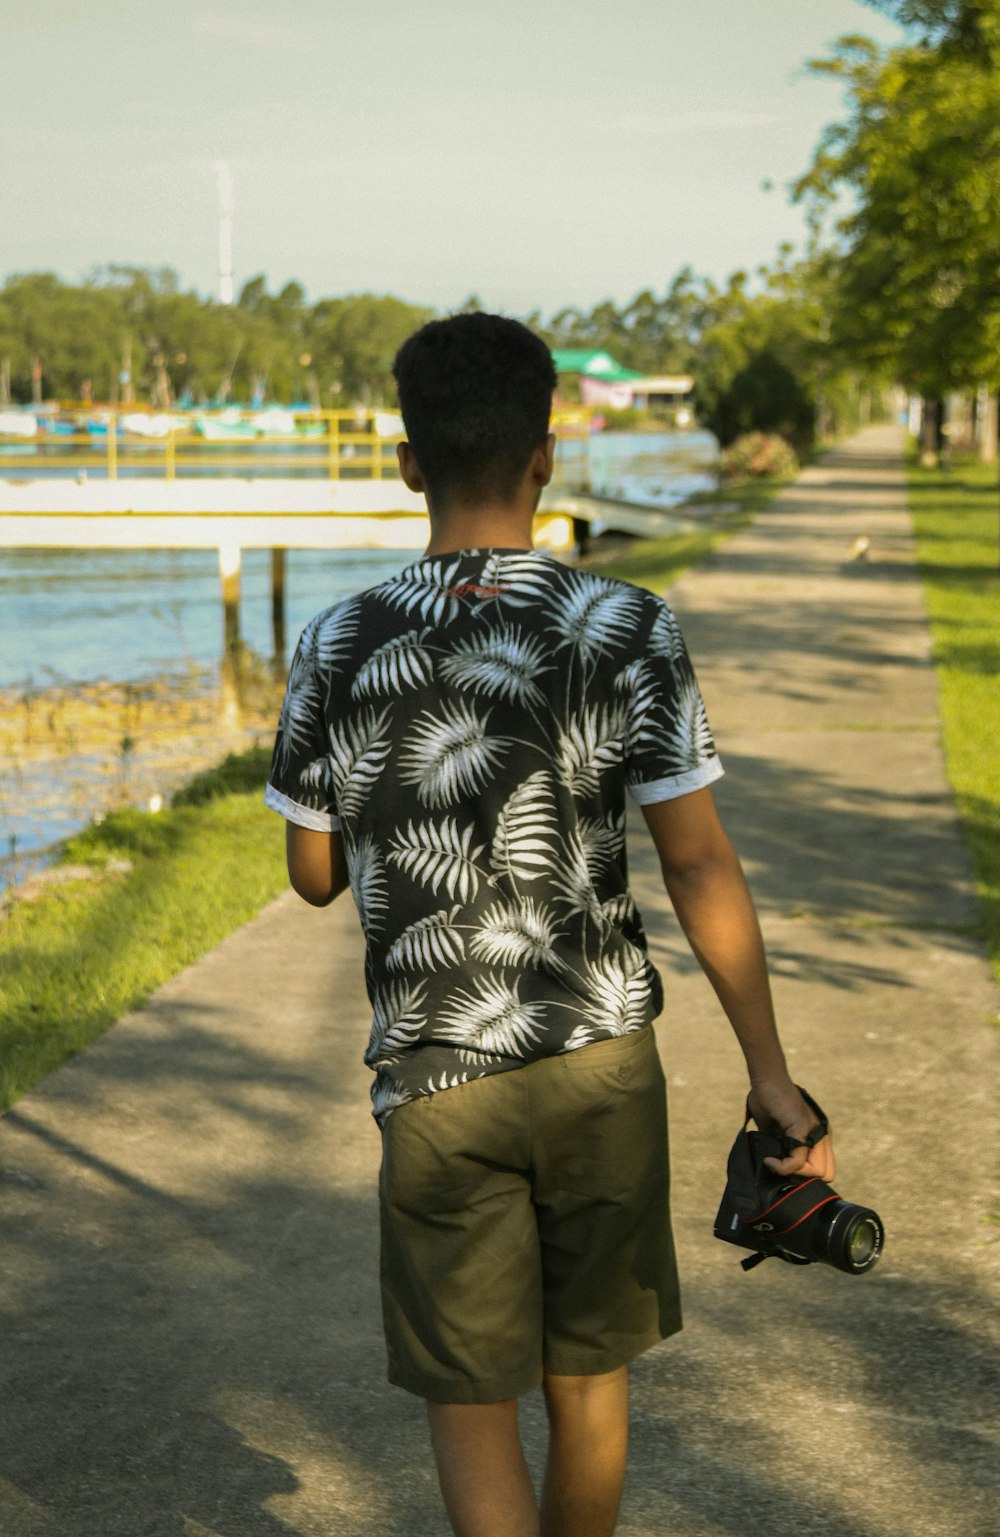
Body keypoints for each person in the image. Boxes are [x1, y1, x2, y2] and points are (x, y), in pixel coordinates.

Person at [264, 312, 835, 1537]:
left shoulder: (336, 640)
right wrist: (771, 1079)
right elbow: (699, 863)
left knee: (472, 1400)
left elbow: (313, 872)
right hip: (600, 1063)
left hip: (432, 1076)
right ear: (546, 454)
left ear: (406, 461)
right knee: (590, 1382)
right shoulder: (628, 626)